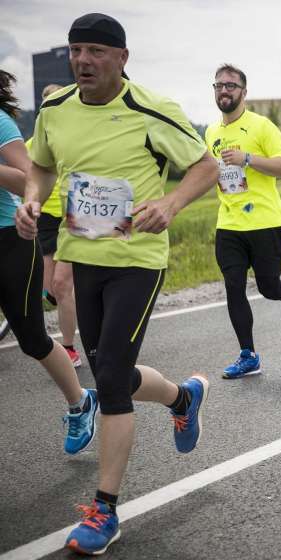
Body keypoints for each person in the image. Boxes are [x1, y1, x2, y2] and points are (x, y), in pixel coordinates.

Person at [15, 14, 220, 555]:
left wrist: (172, 203)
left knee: (106, 377)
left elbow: (206, 165)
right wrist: (32, 198)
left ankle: (104, 510)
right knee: (115, 370)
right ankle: (182, 396)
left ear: (122, 58)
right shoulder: (56, 110)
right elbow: (38, 166)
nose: (82, 60)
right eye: (75, 50)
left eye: (95, 52)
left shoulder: (150, 110)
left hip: (139, 259)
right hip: (85, 256)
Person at [1, 70, 99, 456]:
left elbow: (30, 177)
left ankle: (80, 403)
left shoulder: (2, 123)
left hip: (10, 238)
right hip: (41, 227)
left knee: (33, 339)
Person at [205, 64, 281, 379]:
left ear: (244, 91)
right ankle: (249, 355)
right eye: (218, 85)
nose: (224, 90)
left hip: (265, 221)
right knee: (233, 287)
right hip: (228, 224)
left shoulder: (261, 126)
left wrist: (247, 159)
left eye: (231, 85)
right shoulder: (211, 132)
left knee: (269, 287)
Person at [26, 84, 83, 367]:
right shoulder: (33, 144)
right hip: (45, 221)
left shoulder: (75, 137)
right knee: (53, 289)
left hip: (74, 218)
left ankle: (69, 347)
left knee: (61, 285)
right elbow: (28, 180)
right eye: (47, 101)